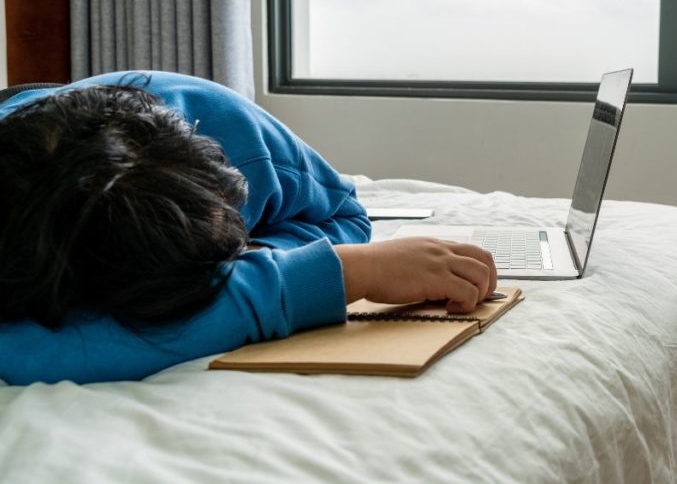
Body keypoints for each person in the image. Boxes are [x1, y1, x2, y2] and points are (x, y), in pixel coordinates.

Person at [0, 71, 496, 385]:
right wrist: (335, 275)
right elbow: (33, 351)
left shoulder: (235, 133)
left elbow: (344, 215)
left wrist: (246, 262)